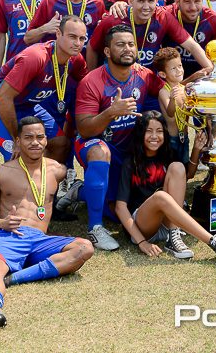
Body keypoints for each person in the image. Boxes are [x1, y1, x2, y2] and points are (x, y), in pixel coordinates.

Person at [0, 117, 93, 328]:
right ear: (18, 141)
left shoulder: (57, 170)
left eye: (40, 137)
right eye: (28, 138)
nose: (35, 142)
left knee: (84, 248)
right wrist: (2, 222)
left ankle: (14, 278)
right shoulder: (0, 172)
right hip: (8, 235)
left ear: (46, 140)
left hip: (39, 240)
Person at [66, 25, 165, 252]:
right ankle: (95, 228)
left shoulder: (144, 75)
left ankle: (79, 191)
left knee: (117, 212)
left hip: (128, 152)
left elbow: (164, 92)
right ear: (108, 52)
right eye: (120, 45)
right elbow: (85, 129)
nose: (127, 49)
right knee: (100, 152)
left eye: (131, 44)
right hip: (96, 145)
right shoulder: (91, 81)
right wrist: (111, 112)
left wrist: (177, 91)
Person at [115, 112, 216, 261]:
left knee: (178, 167)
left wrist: (196, 149)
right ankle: (214, 243)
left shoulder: (167, 154)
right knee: (160, 196)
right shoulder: (130, 162)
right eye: (149, 131)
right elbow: (120, 207)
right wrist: (142, 242)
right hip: (143, 226)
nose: (154, 136)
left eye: (159, 131)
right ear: (140, 134)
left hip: (166, 222)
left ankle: (173, 236)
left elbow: (187, 175)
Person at [0, 15, 88, 164]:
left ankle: (44, 179)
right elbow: (2, 98)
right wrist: (17, 139)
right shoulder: (36, 57)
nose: (77, 43)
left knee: (60, 144)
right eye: (72, 37)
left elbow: (87, 85)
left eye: (82, 38)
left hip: (26, 104)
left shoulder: (76, 60)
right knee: (19, 156)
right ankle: (8, 178)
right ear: (58, 34)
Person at [87, 0, 212, 78]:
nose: (146, 7)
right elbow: (92, 48)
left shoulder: (163, 17)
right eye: (141, 1)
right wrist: (92, 77)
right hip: (118, 80)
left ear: (156, 1)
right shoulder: (113, 19)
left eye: (151, 1)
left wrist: (209, 68)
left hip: (149, 80)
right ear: (130, 1)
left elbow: (191, 45)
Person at [164, 0, 216, 78]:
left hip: (204, 77)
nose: (193, 7)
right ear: (177, 1)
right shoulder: (165, 15)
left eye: (197, 1)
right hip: (171, 79)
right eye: (187, 1)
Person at [153, 48, 190, 165]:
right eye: (173, 68)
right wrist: (173, 99)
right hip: (171, 139)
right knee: (173, 166)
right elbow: (170, 113)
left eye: (180, 65)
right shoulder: (164, 92)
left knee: (184, 165)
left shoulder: (184, 89)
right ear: (163, 74)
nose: (179, 70)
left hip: (185, 137)